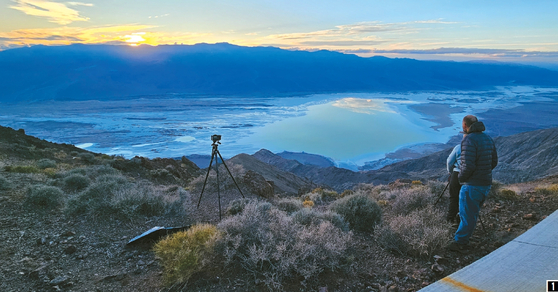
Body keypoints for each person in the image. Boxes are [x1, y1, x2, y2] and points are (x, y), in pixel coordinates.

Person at [449, 115, 498, 251]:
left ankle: (460, 242)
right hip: (485, 183)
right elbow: (494, 161)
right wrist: (483, 173)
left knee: (467, 215)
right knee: (472, 213)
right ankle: (463, 237)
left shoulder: (468, 140)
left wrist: (461, 179)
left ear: (465, 125)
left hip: (472, 184)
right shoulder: (487, 138)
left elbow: (467, 166)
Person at [446, 133, 466, 225]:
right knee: (465, 198)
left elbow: (450, 161)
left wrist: (450, 172)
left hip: (456, 174)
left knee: (454, 197)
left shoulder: (458, 147)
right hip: (470, 176)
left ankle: (450, 218)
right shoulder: (477, 148)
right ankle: (462, 218)